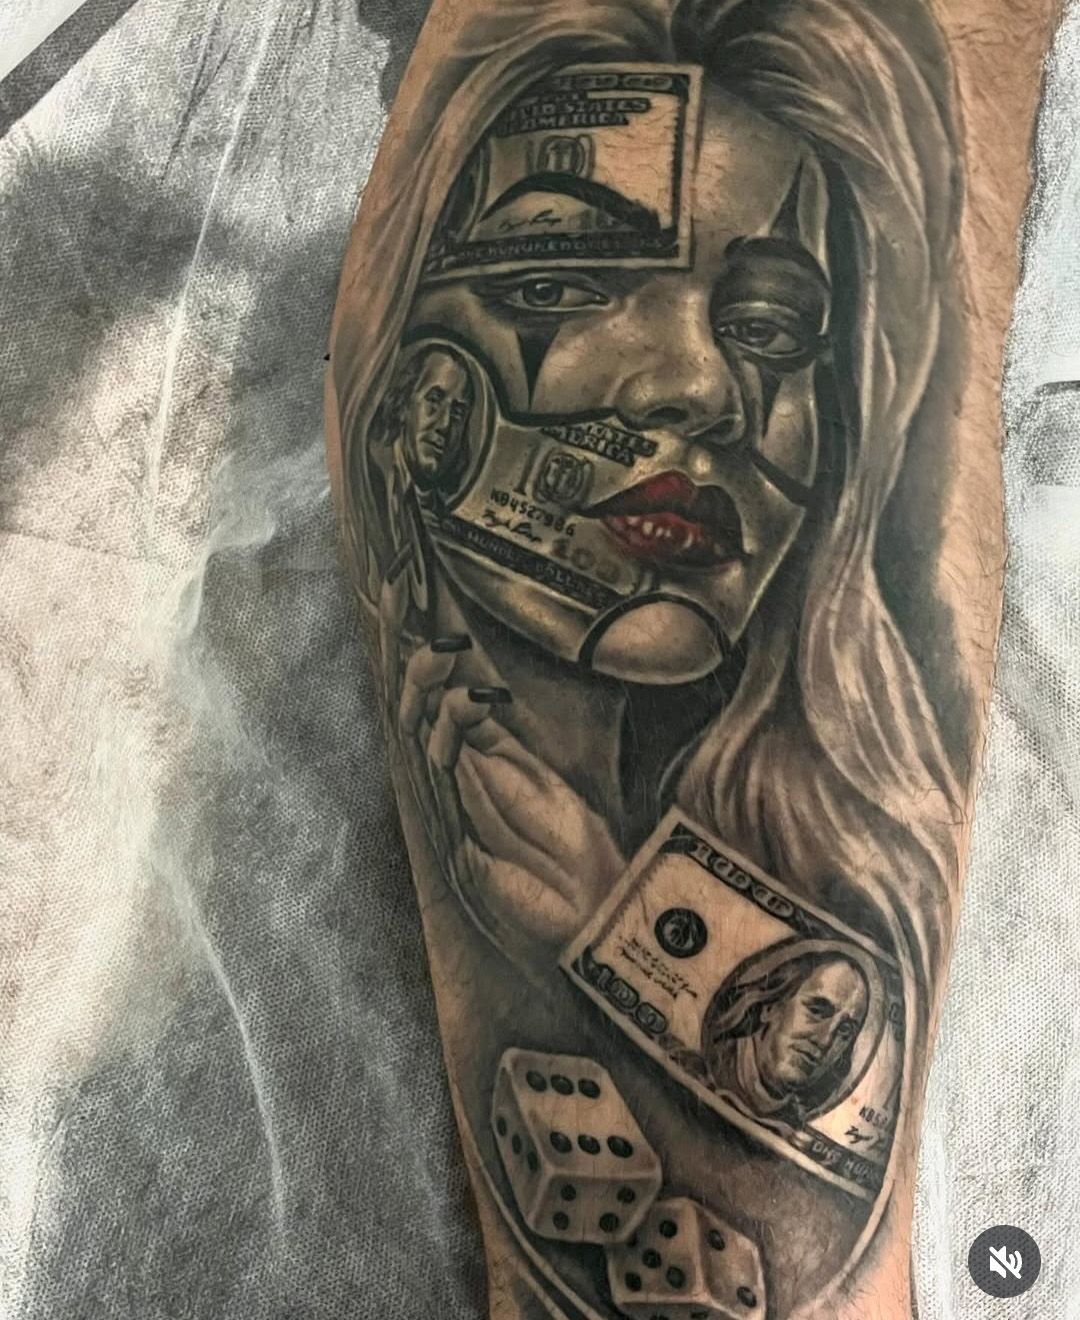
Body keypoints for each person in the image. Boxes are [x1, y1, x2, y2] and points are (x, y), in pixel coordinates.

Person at [325, 0, 1054, 1315]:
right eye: (562, 286)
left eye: (774, 331)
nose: (704, 388)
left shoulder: (824, 819)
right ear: (412, 394)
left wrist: (612, 933)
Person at [702, 945, 873, 1127]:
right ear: (771, 1006)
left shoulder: (793, 1120)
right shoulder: (707, 1065)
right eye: (816, 1010)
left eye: (845, 1030)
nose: (825, 1041)